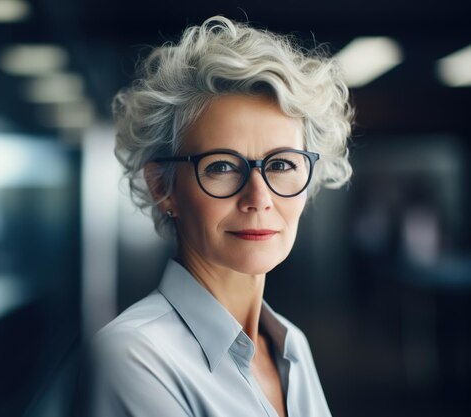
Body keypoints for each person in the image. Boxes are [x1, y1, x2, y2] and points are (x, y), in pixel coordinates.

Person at [85, 15, 352, 417]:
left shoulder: (291, 345)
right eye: (222, 166)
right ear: (162, 187)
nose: (259, 197)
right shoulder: (133, 357)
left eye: (281, 165)